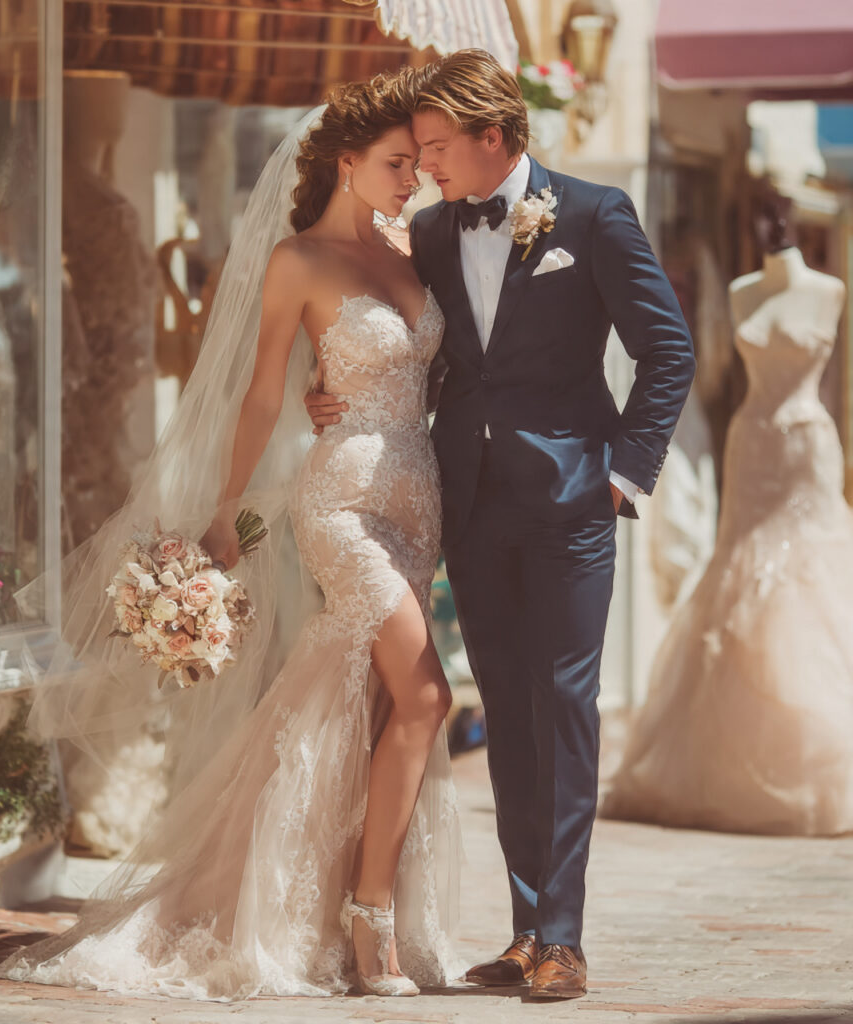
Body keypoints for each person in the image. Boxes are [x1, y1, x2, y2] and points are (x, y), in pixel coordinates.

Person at [0, 73, 463, 1000]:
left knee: (350, 705)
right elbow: (260, 392)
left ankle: (293, 897)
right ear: (346, 161)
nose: (414, 180)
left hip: (418, 502)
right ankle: (371, 926)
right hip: (340, 507)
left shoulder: (418, 248)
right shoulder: (298, 261)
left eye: (416, 165)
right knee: (427, 698)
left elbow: (437, 375)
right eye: (398, 164)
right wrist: (226, 508)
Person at [308, 49, 695, 1000]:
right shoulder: (433, 231)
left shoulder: (597, 215)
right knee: (510, 716)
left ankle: (563, 936)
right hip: (470, 501)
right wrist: (343, 399)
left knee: (563, 707)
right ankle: (528, 931)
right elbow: (415, 344)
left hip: (573, 504)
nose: (428, 165)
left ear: (495, 138)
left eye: (439, 147)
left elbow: (668, 351)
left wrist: (623, 477)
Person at [603, 190, 853, 836]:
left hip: (805, 444)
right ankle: (725, 755)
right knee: (740, 568)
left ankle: (817, 753)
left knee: (809, 574)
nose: (769, 227)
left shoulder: (829, 290)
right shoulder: (742, 288)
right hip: (752, 442)